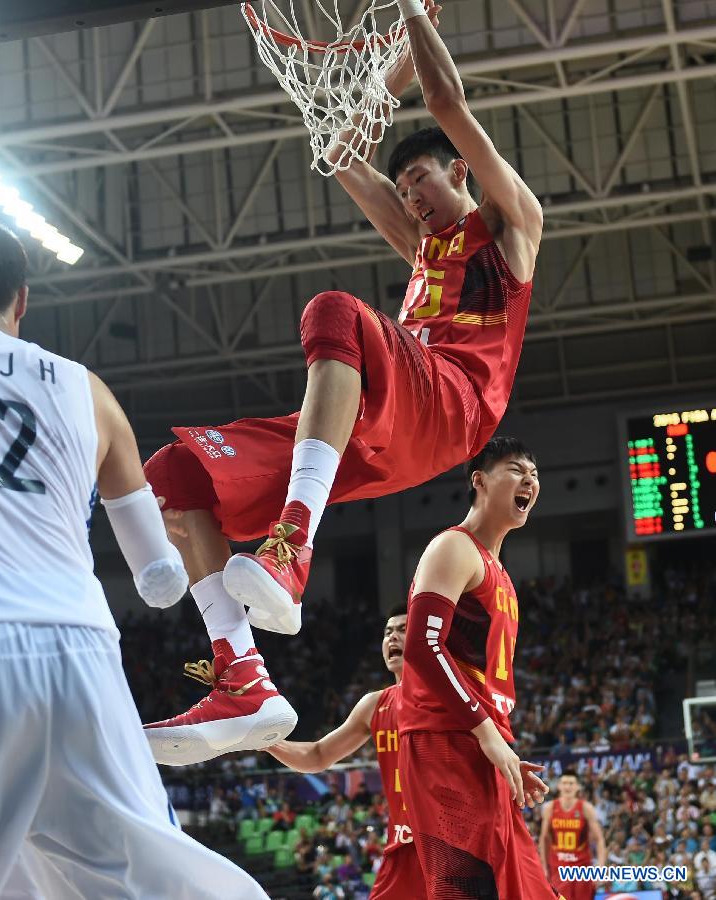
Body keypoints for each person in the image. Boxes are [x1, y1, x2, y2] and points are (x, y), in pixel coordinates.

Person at [143, 0, 543, 761]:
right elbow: (337, 154)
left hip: (454, 408)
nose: (413, 196)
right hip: (384, 424)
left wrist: (413, 15)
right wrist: (357, 97)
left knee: (335, 310)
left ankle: (291, 545)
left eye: (421, 178)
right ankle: (241, 677)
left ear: (458, 170)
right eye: (405, 187)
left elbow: (447, 102)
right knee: (175, 472)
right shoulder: (421, 245)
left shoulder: (509, 225)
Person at [0, 217, 268, 900]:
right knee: (138, 864)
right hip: (81, 652)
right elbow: (157, 575)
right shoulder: (90, 391)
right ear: (23, 300)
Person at [398, 436, 558, 899]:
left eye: (534, 473)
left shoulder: (500, 571)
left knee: (525, 890)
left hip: (480, 739)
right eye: (515, 469)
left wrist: (499, 740)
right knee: (466, 888)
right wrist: (487, 733)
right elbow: (421, 646)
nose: (529, 479)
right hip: (445, 739)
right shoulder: (454, 547)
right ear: (479, 481)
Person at [267, 607, 426, 899]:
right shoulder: (374, 705)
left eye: (403, 629)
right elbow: (317, 755)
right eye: (388, 632)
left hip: (447, 846)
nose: (393, 637)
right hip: (402, 847)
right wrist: (263, 741)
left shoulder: (447, 696)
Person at [539, 770, 607, 900]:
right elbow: (544, 838)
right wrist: (543, 866)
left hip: (582, 867)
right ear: (559, 786)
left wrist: (601, 868)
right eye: (564, 783)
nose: (567, 787)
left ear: (577, 787)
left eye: (571, 783)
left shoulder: (586, 808)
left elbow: (599, 840)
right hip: (558, 867)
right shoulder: (550, 808)